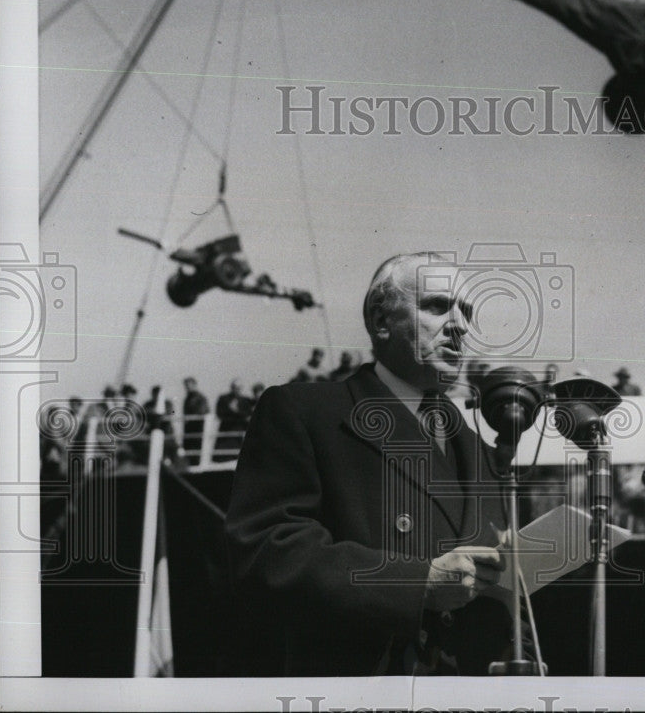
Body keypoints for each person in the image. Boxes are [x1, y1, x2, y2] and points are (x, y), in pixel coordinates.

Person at [225, 252, 512, 676]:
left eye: (467, 312)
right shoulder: (306, 413)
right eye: (437, 306)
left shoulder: (473, 443)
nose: (460, 325)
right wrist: (417, 584)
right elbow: (266, 550)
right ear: (381, 320)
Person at [215, 379, 252, 450]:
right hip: (225, 431)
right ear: (231, 387)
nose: (237, 389)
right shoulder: (223, 399)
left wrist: (236, 411)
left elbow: (248, 415)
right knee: (222, 455)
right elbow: (219, 414)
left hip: (238, 433)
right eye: (235, 387)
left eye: (239, 388)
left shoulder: (245, 400)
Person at [182, 377, 210, 451]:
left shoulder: (201, 398)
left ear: (194, 385)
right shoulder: (187, 398)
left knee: (196, 450)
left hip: (197, 429)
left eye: (188, 385)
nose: (187, 388)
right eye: (186, 386)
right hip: (189, 429)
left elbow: (203, 411)